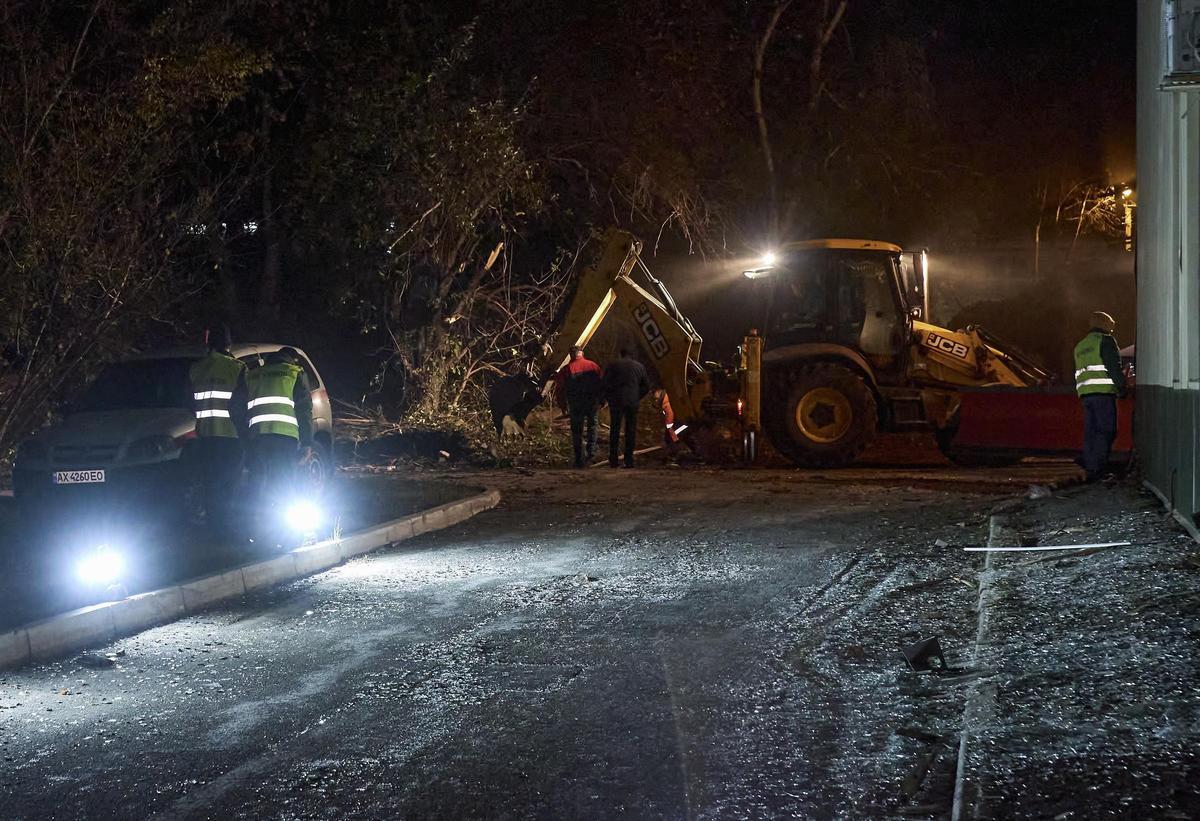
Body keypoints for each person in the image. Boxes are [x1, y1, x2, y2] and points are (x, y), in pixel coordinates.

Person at [188, 325, 246, 533]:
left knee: (210, 484)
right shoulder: (236, 368)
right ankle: (228, 530)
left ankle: (214, 529)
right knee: (231, 485)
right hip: (230, 436)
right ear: (229, 344)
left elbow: (190, 404)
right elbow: (241, 406)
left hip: (205, 437)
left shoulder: (196, 369)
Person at [245, 347, 314, 506]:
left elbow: (242, 406)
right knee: (284, 482)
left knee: (258, 481)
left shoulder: (255, 374)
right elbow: (304, 410)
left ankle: (256, 521)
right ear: (292, 359)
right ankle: (281, 524)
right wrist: (307, 443)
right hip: (285, 438)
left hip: (257, 437)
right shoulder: (294, 373)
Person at [1073, 311, 1127, 481]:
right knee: (1107, 430)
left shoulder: (1080, 345)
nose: (1113, 326)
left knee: (1092, 431)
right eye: (1111, 322)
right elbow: (1113, 367)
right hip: (1103, 393)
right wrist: (1122, 387)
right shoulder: (1105, 341)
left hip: (1086, 394)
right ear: (1103, 323)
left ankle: (1090, 466)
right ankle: (1098, 469)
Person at [554, 345, 604, 468]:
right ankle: (591, 455)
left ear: (571, 355)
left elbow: (559, 389)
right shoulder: (593, 366)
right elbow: (602, 383)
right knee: (592, 426)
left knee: (577, 431)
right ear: (582, 353)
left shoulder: (566, 370)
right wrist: (602, 400)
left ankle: (579, 459)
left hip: (576, 404)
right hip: (592, 403)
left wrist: (562, 405)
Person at [602, 348, 650, 468]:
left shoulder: (613, 365)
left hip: (616, 401)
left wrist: (609, 398)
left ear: (620, 354)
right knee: (631, 431)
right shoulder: (639, 367)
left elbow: (605, 384)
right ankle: (629, 460)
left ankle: (613, 460)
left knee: (615, 430)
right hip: (632, 402)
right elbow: (646, 386)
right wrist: (637, 396)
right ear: (631, 355)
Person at [652, 387, 683, 462]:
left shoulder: (666, 404)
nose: (655, 399)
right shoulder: (668, 399)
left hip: (679, 425)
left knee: (670, 438)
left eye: (656, 397)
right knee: (685, 438)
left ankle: (674, 456)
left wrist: (674, 436)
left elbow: (669, 422)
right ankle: (698, 455)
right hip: (682, 424)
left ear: (659, 391)